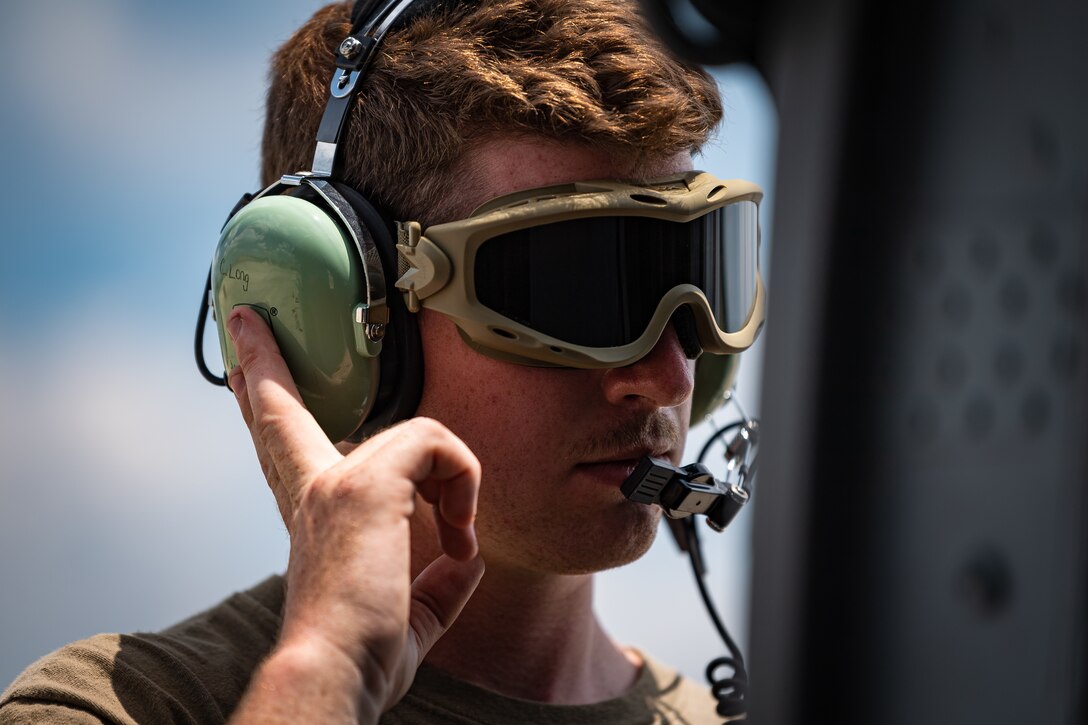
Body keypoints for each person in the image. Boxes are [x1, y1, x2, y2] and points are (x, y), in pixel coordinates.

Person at [0, 0, 761, 722]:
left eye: (695, 268)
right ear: (335, 315)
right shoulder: (116, 707)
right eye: (579, 290)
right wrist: (326, 673)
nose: (668, 377)